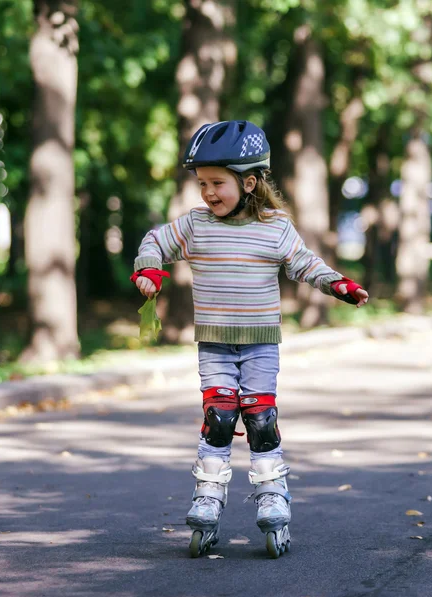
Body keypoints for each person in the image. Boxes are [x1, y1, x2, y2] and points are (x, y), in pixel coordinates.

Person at [131, 120, 369, 558]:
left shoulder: (275, 227)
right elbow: (154, 240)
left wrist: (338, 284)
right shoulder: (195, 226)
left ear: (250, 182)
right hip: (215, 343)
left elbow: (304, 263)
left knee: (260, 416)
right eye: (202, 183)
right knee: (219, 414)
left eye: (217, 183)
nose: (208, 192)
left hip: (261, 343)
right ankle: (207, 496)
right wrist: (149, 270)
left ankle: (273, 494)